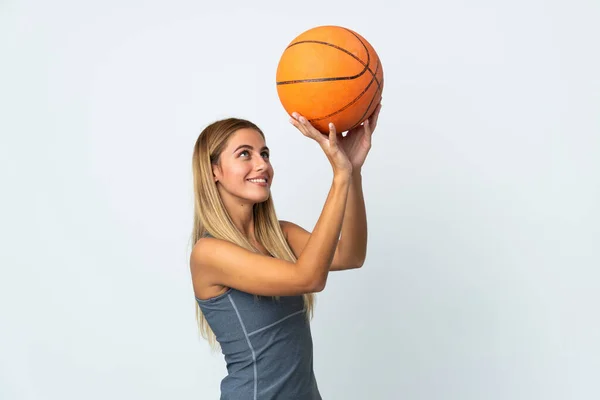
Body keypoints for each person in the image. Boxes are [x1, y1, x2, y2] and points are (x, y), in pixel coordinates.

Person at [189, 103, 382, 399]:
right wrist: (339, 176)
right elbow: (309, 278)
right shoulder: (209, 252)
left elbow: (352, 254)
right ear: (214, 170)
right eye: (245, 154)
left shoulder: (281, 235)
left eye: (264, 154)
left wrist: (352, 172)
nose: (262, 165)